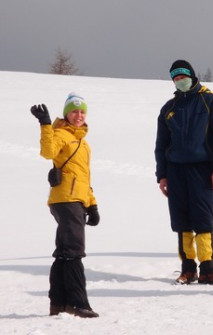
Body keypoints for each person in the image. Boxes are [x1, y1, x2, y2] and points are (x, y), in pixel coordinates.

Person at [155, 59, 213, 285]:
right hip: (176, 170)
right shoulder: (169, 108)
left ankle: (208, 269)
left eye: (183, 77)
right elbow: (161, 144)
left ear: (192, 76)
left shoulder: (210, 100)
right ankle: (188, 269)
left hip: (202, 168)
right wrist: (162, 175)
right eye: (176, 79)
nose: (180, 81)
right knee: (182, 221)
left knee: (203, 219)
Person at [30, 93, 100, 318]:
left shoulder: (83, 142)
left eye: (82, 112)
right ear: (67, 114)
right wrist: (45, 124)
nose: (78, 115)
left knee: (64, 252)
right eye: (74, 111)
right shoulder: (60, 134)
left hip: (76, 200)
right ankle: (77, 303)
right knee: (74, 251)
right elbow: (48, 152)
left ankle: (58, 304)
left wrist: (92, 205)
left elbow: (84, 177)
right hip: (65, 200)